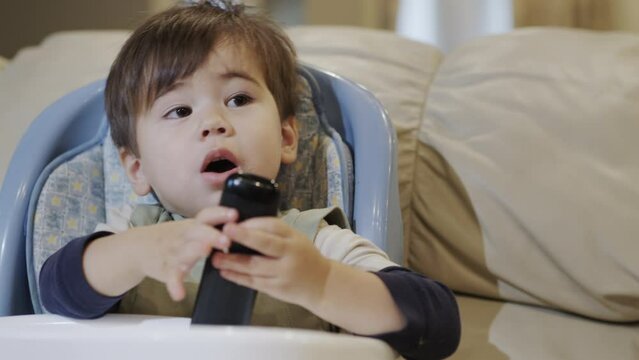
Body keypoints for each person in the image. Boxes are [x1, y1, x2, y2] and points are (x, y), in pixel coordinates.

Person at [39, 1, 460, 359]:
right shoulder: (137, 240)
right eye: (179, 111)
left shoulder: (317, 244)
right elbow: (53, 292)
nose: (213, 123)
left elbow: (436, 323)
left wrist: (323, 282)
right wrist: (133, 254)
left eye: (238, 99)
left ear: (285, 137)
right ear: (137, 169)